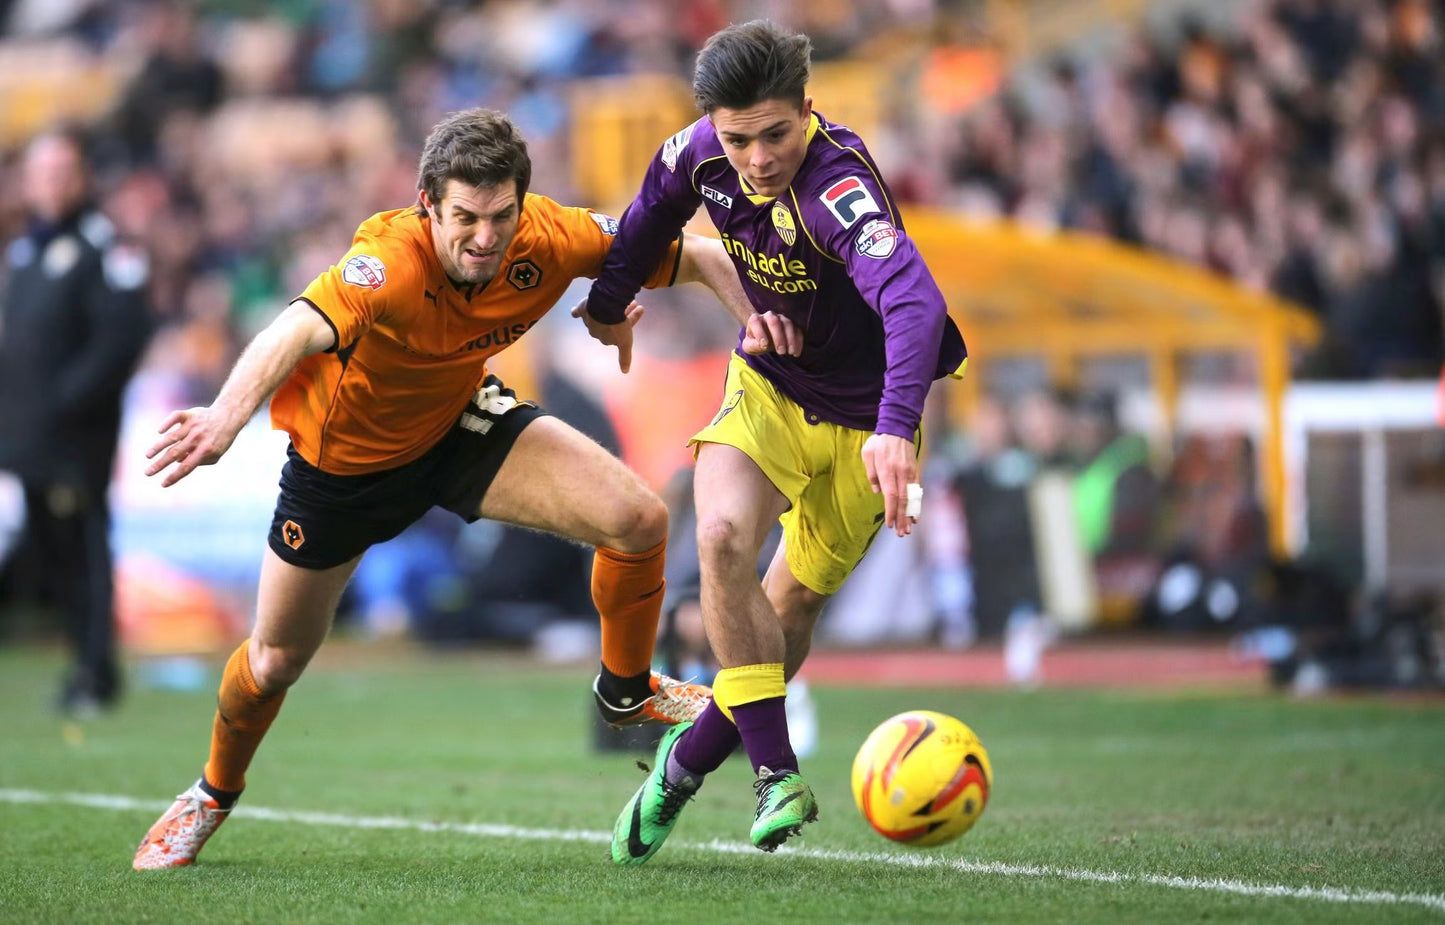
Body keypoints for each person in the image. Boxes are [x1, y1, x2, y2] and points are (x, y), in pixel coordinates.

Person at [131, 107, 781, 870]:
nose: (484, 237)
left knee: (637, 518)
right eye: (464, 217)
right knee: (273, 661)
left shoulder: (548, 235)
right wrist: (222, 417)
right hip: (342, 473)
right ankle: (212, 790)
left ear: (520, 204)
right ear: (427, 205)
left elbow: (700, 254)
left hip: (455, 425)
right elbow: (292, 330)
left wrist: (763, 327)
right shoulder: (386, 262)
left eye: (499, 215)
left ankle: (626, 691)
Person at [575, 21, 968, 862]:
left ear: (808, 112)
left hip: (866, 428)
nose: (756, 158)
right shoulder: (694, 153)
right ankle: (775, 774)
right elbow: (646, 220)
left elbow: (914, 303)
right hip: (770, 394)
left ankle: (677, 771)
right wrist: (608, 308)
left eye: (776, 134)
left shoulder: (837, 190)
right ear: (714, 125)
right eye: (738, 137)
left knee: (782, 621)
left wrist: (896, 429)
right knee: (716, 537)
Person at [0, 128, 152, 714]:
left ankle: (96, 670)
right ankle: (83, 666)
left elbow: (122, 338)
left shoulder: (105, 246)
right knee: (51, 553)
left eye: (64, 171)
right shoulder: (26, 249)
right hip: (29, 439)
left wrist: (66, 401)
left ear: (83, 175)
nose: (53, 183)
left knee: (86, 552)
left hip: (77, 439)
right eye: (43, 172)